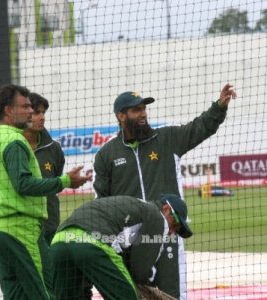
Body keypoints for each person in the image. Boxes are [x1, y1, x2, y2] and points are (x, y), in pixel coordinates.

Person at [93, 83, 237, 299]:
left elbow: (200, 127)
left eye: (144, 109)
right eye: (136, 110)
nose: (142, 114)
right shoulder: (107, 154)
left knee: (172, 293)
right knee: (133, 294)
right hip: (130, 240)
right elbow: (101, 201)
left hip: (168, 231)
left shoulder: (167, 138)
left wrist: (219, 106)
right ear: (121, 116)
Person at [0, 84, 91, 300]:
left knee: (15, 295)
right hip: (21, 231)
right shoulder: (15, 142)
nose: (31, 111)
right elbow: (24, 185)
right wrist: (65, 180)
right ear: (8, 110)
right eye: (26, 106)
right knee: (45, 292)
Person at [50, 194, 192, 300]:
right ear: (166, 209)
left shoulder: (135, 206)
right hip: (91, 243)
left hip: (59, 242)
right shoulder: (157, 217)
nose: (172, 231)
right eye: (175, 225)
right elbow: (140, 271)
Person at [23, 92, 65, 245]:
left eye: (43, 112)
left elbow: (55, 182)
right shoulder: (11, 146)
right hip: (21, 227)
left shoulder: (54, 148)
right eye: (36, 113)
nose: (42, 117)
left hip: (50, 224)